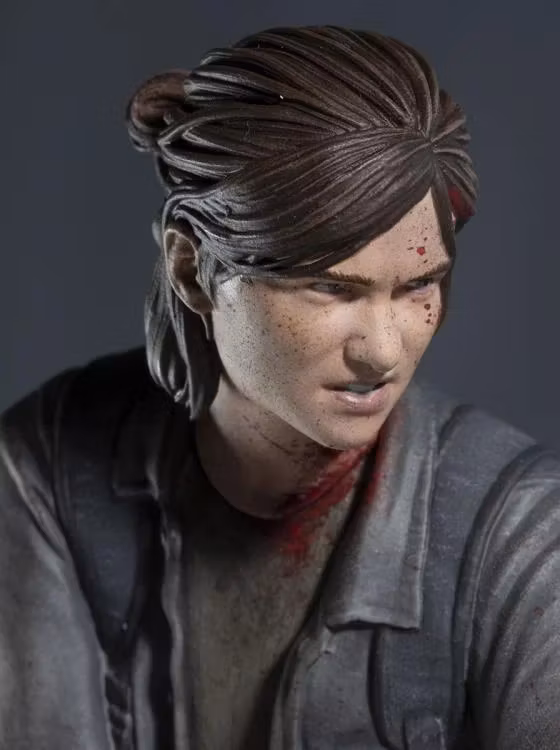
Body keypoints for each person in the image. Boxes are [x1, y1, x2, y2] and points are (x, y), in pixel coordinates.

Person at [0, 24, 559, 750]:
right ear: (192, 270)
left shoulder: (519, 533)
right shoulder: (49, 472)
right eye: (330, 288)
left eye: (418, 286)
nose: (383, 350)